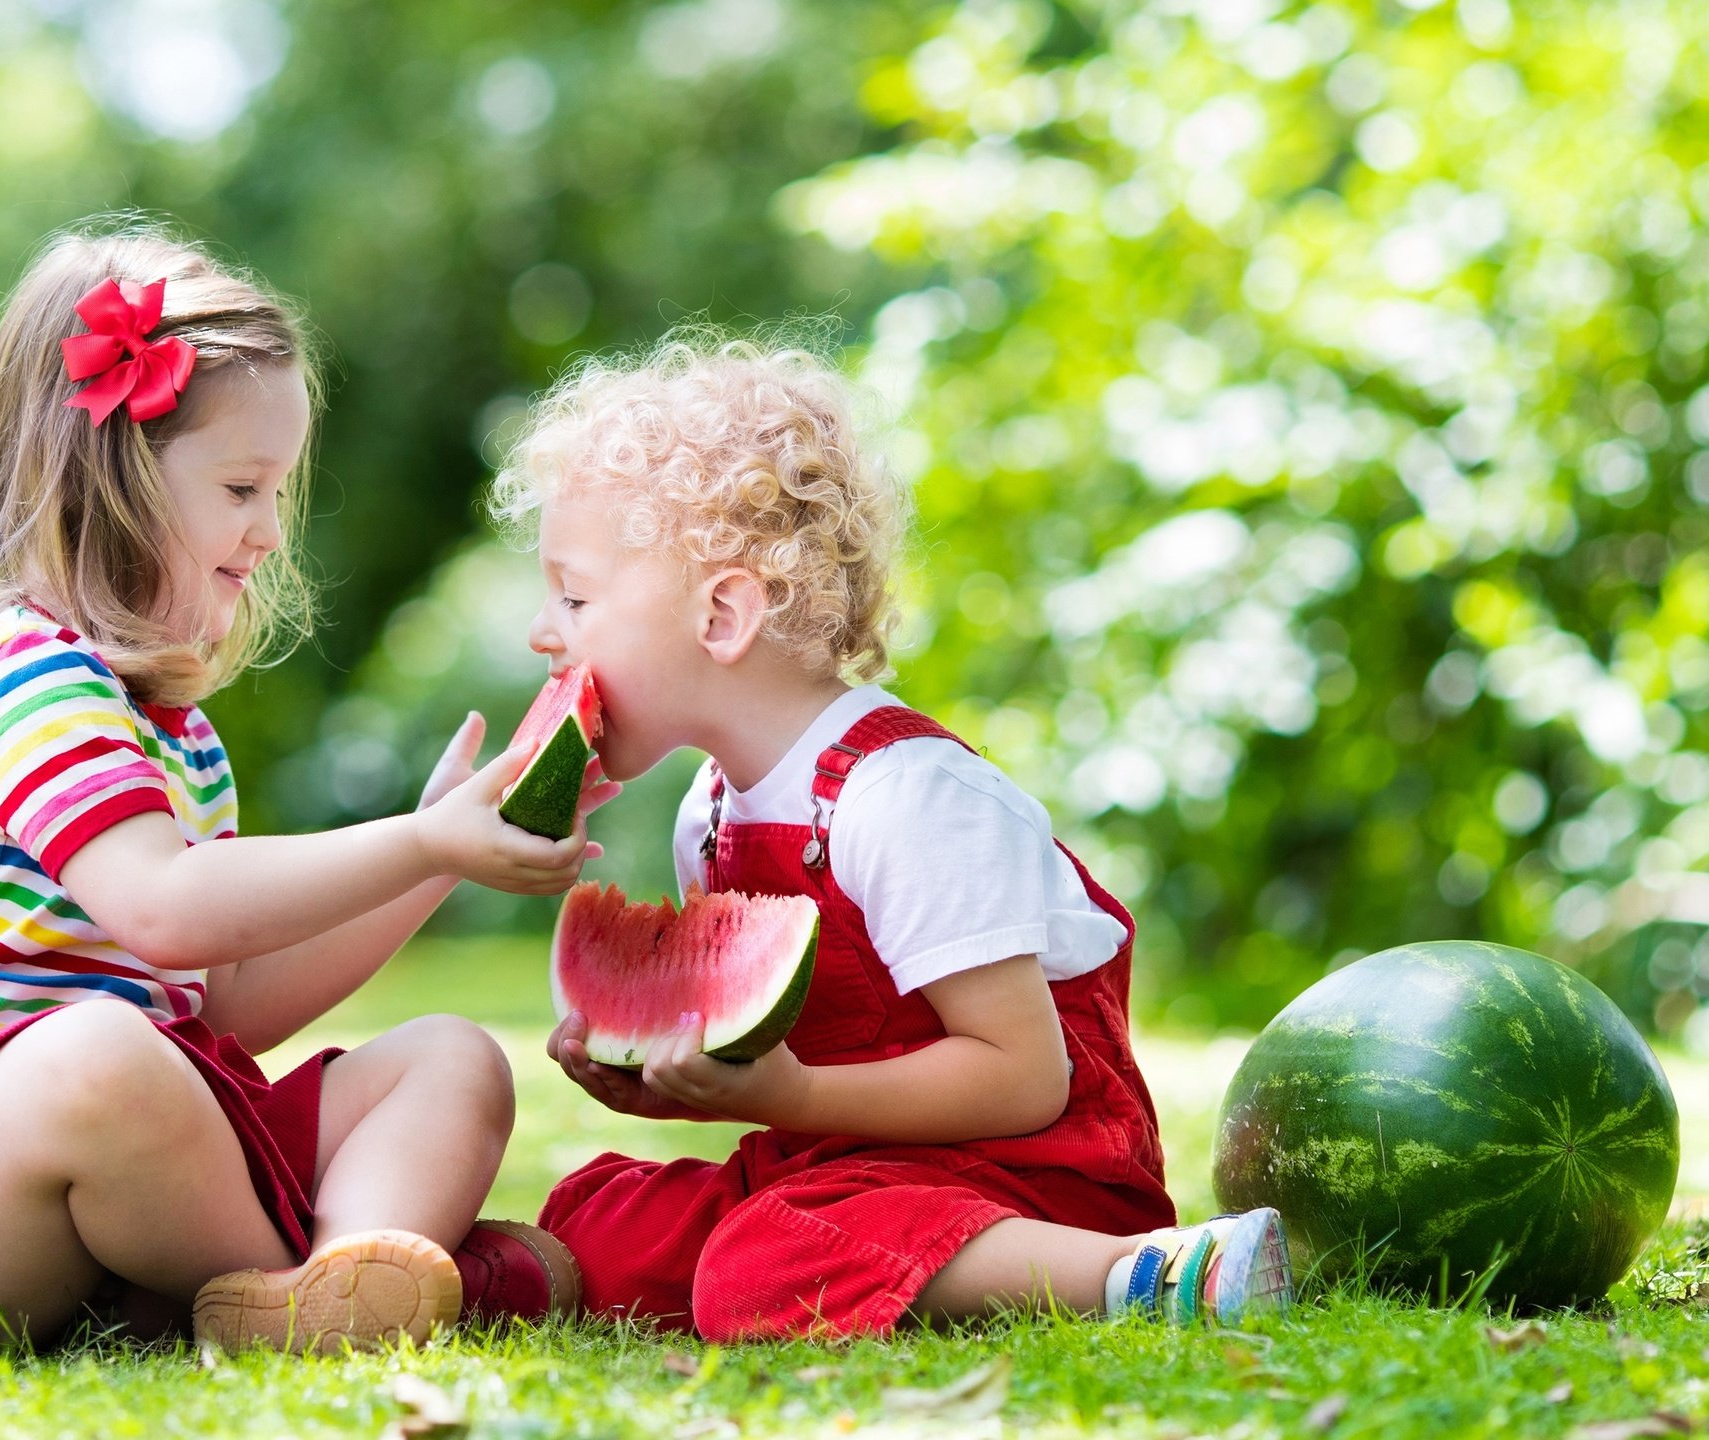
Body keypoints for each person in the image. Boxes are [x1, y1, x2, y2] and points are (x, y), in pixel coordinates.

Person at [0, 221, 595, 1354]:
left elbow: (226, 1007)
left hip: (137, 1183)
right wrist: (420, 841)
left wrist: (436, 864)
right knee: (99, 1053)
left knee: (452, 1059)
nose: (266, 530)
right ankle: (318, 1283)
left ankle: (330, 1284)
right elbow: (159, 903)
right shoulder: (22, 674)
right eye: (243, 486)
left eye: (278, 490)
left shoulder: (174, 734)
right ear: (107, 472)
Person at [493, 334, 1290, 1341]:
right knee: (603, 1213)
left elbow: (1021, 1079)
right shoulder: (713, 811)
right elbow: (767, 1060)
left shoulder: (904, 798)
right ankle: (480, 1276)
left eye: (574, 596)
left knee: (758, 1262)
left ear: (723, 612)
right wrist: (668, 1081)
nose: (542, 631)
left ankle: (1139, 1273)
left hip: (1032, 1173)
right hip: (846, 1163)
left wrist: (796, 1092)